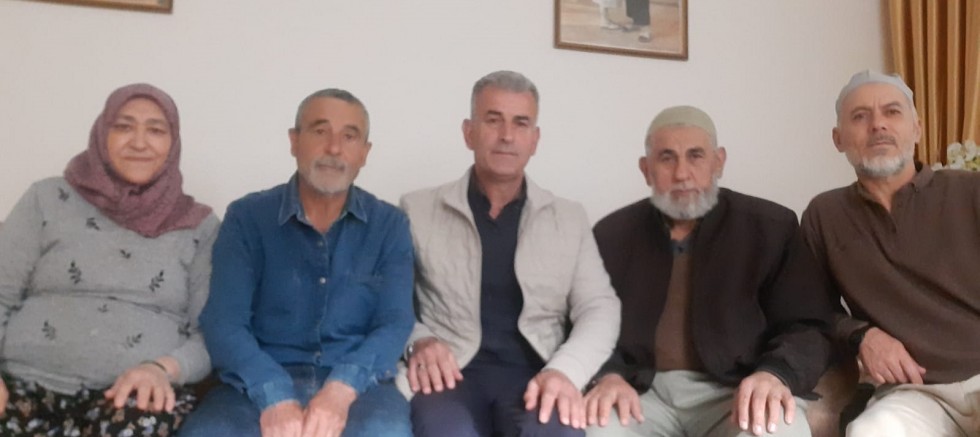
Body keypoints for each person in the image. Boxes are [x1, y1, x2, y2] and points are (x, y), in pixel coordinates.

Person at [585, 106, 835, 437]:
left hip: (737, 389)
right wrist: (607, 375)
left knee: (778, 432)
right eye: (666, 158)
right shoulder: (611, 235)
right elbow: (587, 322)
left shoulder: (772, 228)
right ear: (646, 169)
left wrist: (775, 374)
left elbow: (808, 325)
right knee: (591, 429)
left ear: (718, 162)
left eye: (696, 156)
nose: (682, 173)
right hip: (640, 391)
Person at [179, 88, 414, 437]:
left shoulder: (389, 225)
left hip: (359, 387)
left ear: (365, 153)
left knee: (386, 433)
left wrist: (341, 389)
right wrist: (273, 394)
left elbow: (394, 323)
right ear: (294, 141)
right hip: (255, 381)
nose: (334, 148)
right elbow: (224, 322)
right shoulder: (247, 217)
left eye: (349, 136)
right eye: (320, 131)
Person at [399, 70, 621, 437]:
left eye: (521, 123)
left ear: (535, 139)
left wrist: (566, 371)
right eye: (493, 120)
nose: (506, 135)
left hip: (538, 373)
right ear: (469, 132)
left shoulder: (568, 218)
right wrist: (419, 340)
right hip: (448, 373)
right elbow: (389, 301)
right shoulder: (418, 210)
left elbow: (599, 307)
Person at [0, 83, 219, 436]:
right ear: (102, 134)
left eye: (156, 130)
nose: (139, 142)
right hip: (21, 384)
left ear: (173, 143)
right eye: (124, 126)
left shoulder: (199, 226)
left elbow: (211, 332)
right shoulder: (47, 198)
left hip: (132, 399)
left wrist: (162, 369)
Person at [801, 70, 980, 436]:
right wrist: (862, 335)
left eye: (892, 112)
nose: (878, 124)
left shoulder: (970, 192)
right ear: (838, 139)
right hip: (914, 393)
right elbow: (810, 310)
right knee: (870, 431)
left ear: (917, 129)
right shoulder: (825, 214)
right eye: (860, 116)